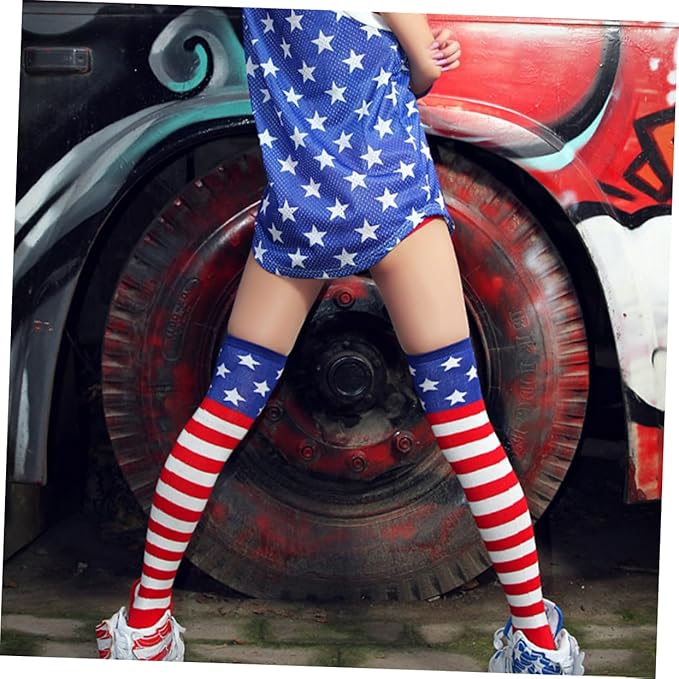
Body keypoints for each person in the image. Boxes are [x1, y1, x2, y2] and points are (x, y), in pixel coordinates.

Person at [95, 9, 584, 674]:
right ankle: (536, 643)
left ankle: (145, 623)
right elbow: (422, 74)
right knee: (465, 423)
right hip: (395, 205)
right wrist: (421, 52)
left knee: (221, 413)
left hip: (302, 217)